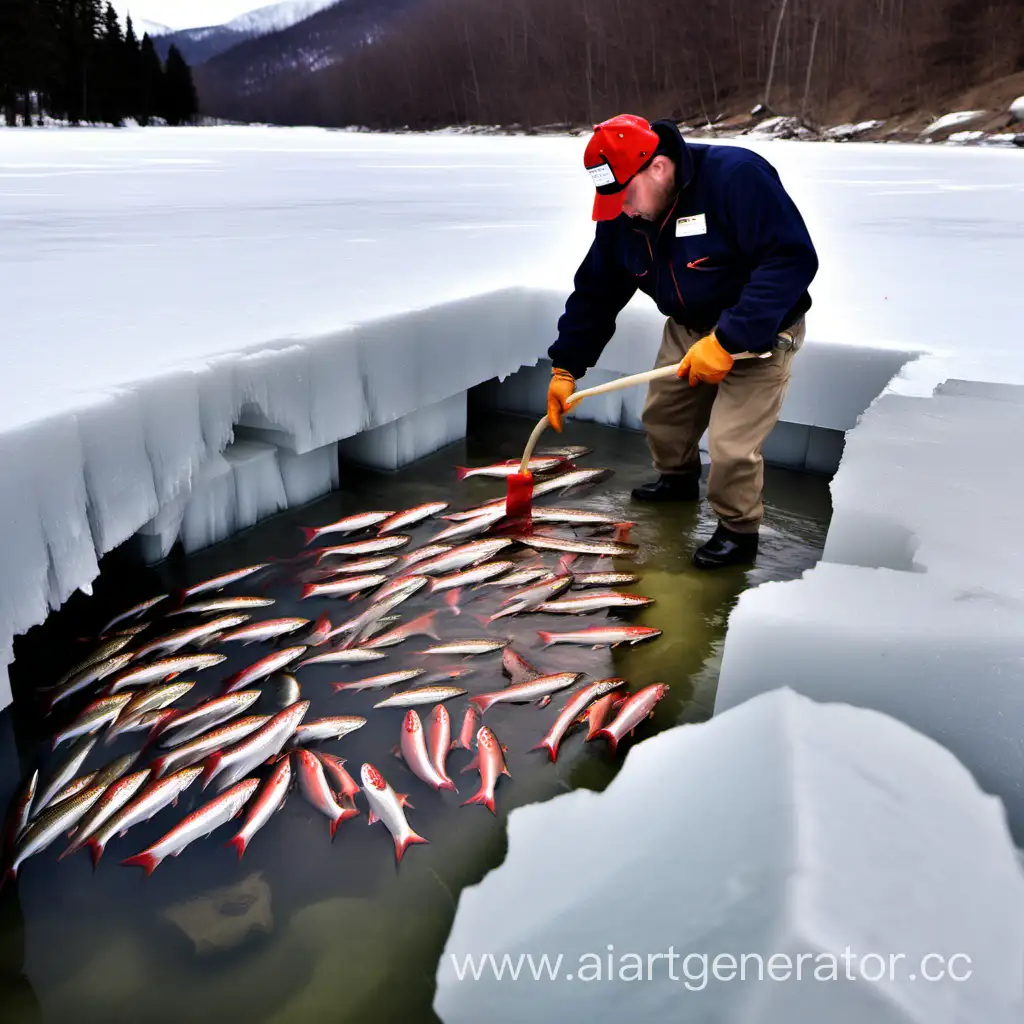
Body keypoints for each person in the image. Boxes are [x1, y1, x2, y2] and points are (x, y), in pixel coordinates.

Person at [546, 113, 819, 569]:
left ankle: (737, 531)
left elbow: (791, 261)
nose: (624, 209)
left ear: (656, 167)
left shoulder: (736, 178)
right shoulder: (622, 216)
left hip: (762, 330)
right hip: (689, 326)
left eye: (626, 195)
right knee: (663, 417)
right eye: (611, 199)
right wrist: (566, 366)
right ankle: (677, 481)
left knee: (732, 447)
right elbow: (597, 291)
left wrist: (729, 340)